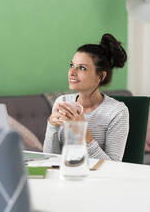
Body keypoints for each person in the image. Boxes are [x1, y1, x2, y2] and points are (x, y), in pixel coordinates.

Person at [43, 33, 129, 161]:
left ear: (100, 76)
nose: (72, 73)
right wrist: (52, 126)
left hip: (98, 180)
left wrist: (83, 132)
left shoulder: (117, 112)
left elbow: (114, 166)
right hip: (64, 177)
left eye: (82, 68)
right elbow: (50, 158)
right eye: (71, 65)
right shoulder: (62, 102)